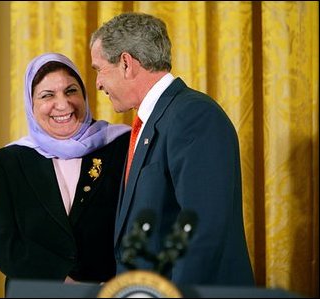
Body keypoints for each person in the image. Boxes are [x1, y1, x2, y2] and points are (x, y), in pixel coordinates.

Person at [90, 12, 255, 287]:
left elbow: (201, 231)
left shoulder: (192, 115)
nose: (97, 83)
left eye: (98, 69)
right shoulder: (155, 120)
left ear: (126, 63)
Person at [0, 53, 131, 290]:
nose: (63, 104)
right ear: (31, 104)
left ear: (84, 94)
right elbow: (1, 242)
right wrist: (61, 282)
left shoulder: (120, 145)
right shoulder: (11, 160)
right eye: (47, 95)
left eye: (71, 91)